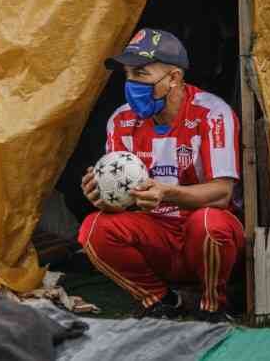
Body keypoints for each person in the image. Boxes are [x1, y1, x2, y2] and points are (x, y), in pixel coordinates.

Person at [77, 28, 244, 322]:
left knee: (210, 222)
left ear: (174, 78)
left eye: (141, 73)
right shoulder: (121, 119)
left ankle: (213, 306)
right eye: (127, 74)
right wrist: (102, 197)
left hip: (203, 235)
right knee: (95, 228)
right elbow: (121, 205)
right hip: (156, 235)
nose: (131, 84)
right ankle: (162, 301)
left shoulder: (212, 113)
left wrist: (167, 193)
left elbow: (222, 193)